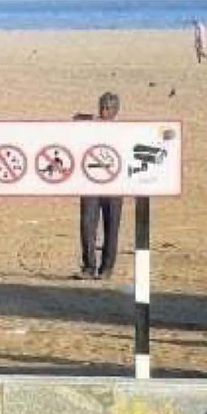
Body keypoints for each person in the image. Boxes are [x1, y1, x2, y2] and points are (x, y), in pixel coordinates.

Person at [77, 92, 122, 281]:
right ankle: (89, 266)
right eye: (102, 107)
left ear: (115, 111)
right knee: (87, 225)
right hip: (90, 183)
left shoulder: (123, 131)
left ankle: (107, 268)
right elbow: (76, 118)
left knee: (111, 228)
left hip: (114, 186)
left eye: (108, 108)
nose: (104, 111)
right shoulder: (91, 126)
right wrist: (92, 119)